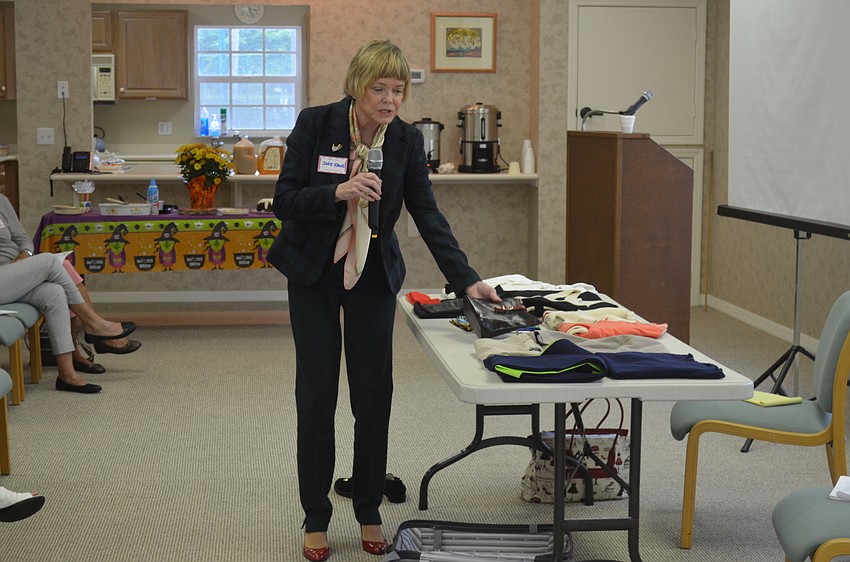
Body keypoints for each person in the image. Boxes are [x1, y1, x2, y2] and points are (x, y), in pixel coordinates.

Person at [266, 39, 500, 561]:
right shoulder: (316, 124)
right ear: (357, 86)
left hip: (372, 273)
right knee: (317, 393)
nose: (390, 99)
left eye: (398, 90)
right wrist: (337, 193)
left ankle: (369, 507)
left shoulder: (407, 142)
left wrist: (467, 280)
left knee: (373, 396)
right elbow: (284, 202)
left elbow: (427, 213)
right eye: (380, 89)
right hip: (313, 273)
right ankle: (315, 515)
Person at [0, 194, 138, 394]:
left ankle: (67, 374)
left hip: (14, 274)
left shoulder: (1, 200)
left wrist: (25, 256)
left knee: (54, 293)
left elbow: (22, 239)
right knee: (50, 262)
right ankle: (95, 325)